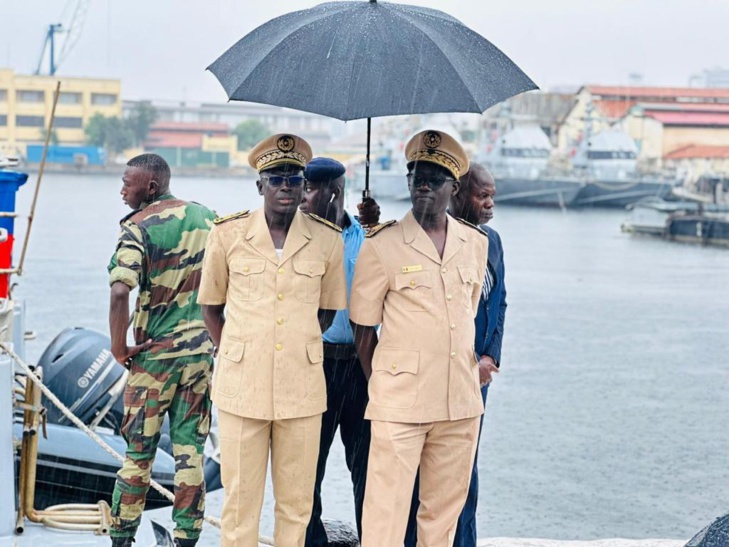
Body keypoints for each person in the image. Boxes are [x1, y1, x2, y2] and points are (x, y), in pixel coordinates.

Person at [198, 134, 347, 547]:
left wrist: (293, 342)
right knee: (240, 505)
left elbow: (327, 311)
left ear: (304, 186)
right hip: (242, 388)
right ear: (259, 184)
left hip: (301, 390)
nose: (286, 187)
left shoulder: (326, 239)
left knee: (296, 506)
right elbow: (211, 307)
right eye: (276, 178)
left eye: (294, 179)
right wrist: (241, 348)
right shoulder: (227, 235)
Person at [350, 129, 489, 547]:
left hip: (459, 401)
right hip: (400, 402)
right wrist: (384, 381)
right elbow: (362, 325)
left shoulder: (475, 243)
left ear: (454, 187)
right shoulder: (382, 245)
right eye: (416, 177)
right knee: (386, 512)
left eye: (433, 178)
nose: (423, 185)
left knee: (443, 514)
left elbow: (467, 309)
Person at [108, 153, 216, 547]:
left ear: (150, 187)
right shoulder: (208, 218)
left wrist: (120, 349)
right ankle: (187, 539)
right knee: (191, 453)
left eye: (127, 182)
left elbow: (121, 289)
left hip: (153, 359)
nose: (122, 189)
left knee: (139, 456)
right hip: (200, 356)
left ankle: (121, 539)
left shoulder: (138, 227)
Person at [405, 163, 507, 547]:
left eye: (492, 196)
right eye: (483, 196)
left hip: (474, 378)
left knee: (466, 472)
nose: (490, 204)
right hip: (432, 377)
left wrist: (490, 357)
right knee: (424, 472)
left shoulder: (491, 241)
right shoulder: (434, 240)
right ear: (458, 194)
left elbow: (499, 303)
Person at [299, 158, 380, 546]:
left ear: (332, 191)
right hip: (314, 364)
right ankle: (311, 541)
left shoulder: (370, 239)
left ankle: (373, 539)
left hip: (361, 368)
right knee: (306, 466)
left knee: (367, 468)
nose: (301, 196)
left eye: (310, 189)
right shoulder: (297, 236)